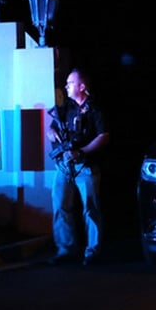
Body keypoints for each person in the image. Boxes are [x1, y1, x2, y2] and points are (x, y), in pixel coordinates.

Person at [46, 68, 110, 266]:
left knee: (90, 208)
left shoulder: (95, 110)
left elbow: (103, 136)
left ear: (82, 86)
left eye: (70, 83)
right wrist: (51, 132)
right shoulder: (66, 107)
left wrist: (82, 152)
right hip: (64, 166)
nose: (66, 86)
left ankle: (93, 251)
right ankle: (66, 249)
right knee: (60, 206)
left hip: (86, 166)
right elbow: (52, 126)